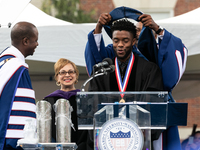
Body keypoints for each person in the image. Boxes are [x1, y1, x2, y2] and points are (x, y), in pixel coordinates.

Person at [87, 18, 164, 150]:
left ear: (134, 41)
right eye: (116, 40)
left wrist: (143, 132)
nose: (120, 45)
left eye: (125, 40)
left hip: (138, 141)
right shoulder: (102, 70)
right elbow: (91, 106)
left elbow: (155, 105)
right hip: (107, 141)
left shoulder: (149, 69)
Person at [85, 7, 188, 96]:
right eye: (116, 40)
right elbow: (95, 54)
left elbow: (171, 61)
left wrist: (158, 28)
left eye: (140, 30)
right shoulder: (110, 55)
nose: (120, 44)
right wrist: (99, 27)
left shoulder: (154, 58)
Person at [0, 22, 39, 149]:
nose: (37, 44)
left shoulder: (3, 63)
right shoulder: (17, 68)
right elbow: (23, 114)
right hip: (11, 143)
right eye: (35, 40)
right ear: (26, 41)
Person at [43, 58, 86, 149]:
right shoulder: (49, 101)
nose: (67, 75)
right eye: (62, 72)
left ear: (76, 75)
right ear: (57, 77)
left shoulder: (84, 99)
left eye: (71, 72)